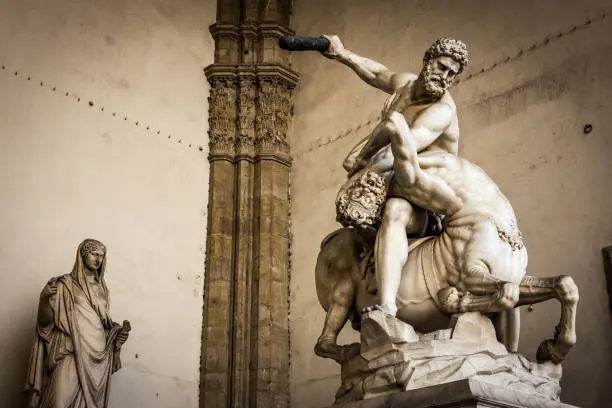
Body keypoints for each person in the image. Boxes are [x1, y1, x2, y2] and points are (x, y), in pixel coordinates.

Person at [325, 36, 469, 316]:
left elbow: (401, 150)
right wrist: (343, 54)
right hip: (399, 181)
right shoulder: (406, 84)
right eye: (441, 67)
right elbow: (378, 73)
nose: (444, 76)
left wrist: (361, 169)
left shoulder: (441, 111)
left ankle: (388, 307)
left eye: (452, 74)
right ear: (428, 61)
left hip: (429, 197)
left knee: (395, 211)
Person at [25, 239, 130, 408]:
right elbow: (45, 323)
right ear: (82, 254)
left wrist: (117, 335)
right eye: (94, 254)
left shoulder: (103, 289)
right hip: (71, 350)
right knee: (57, 403)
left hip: (97, 359)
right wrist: (44, 299)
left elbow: (102, 327)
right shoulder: (65, 285)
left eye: (102, 256)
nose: (98, 260)